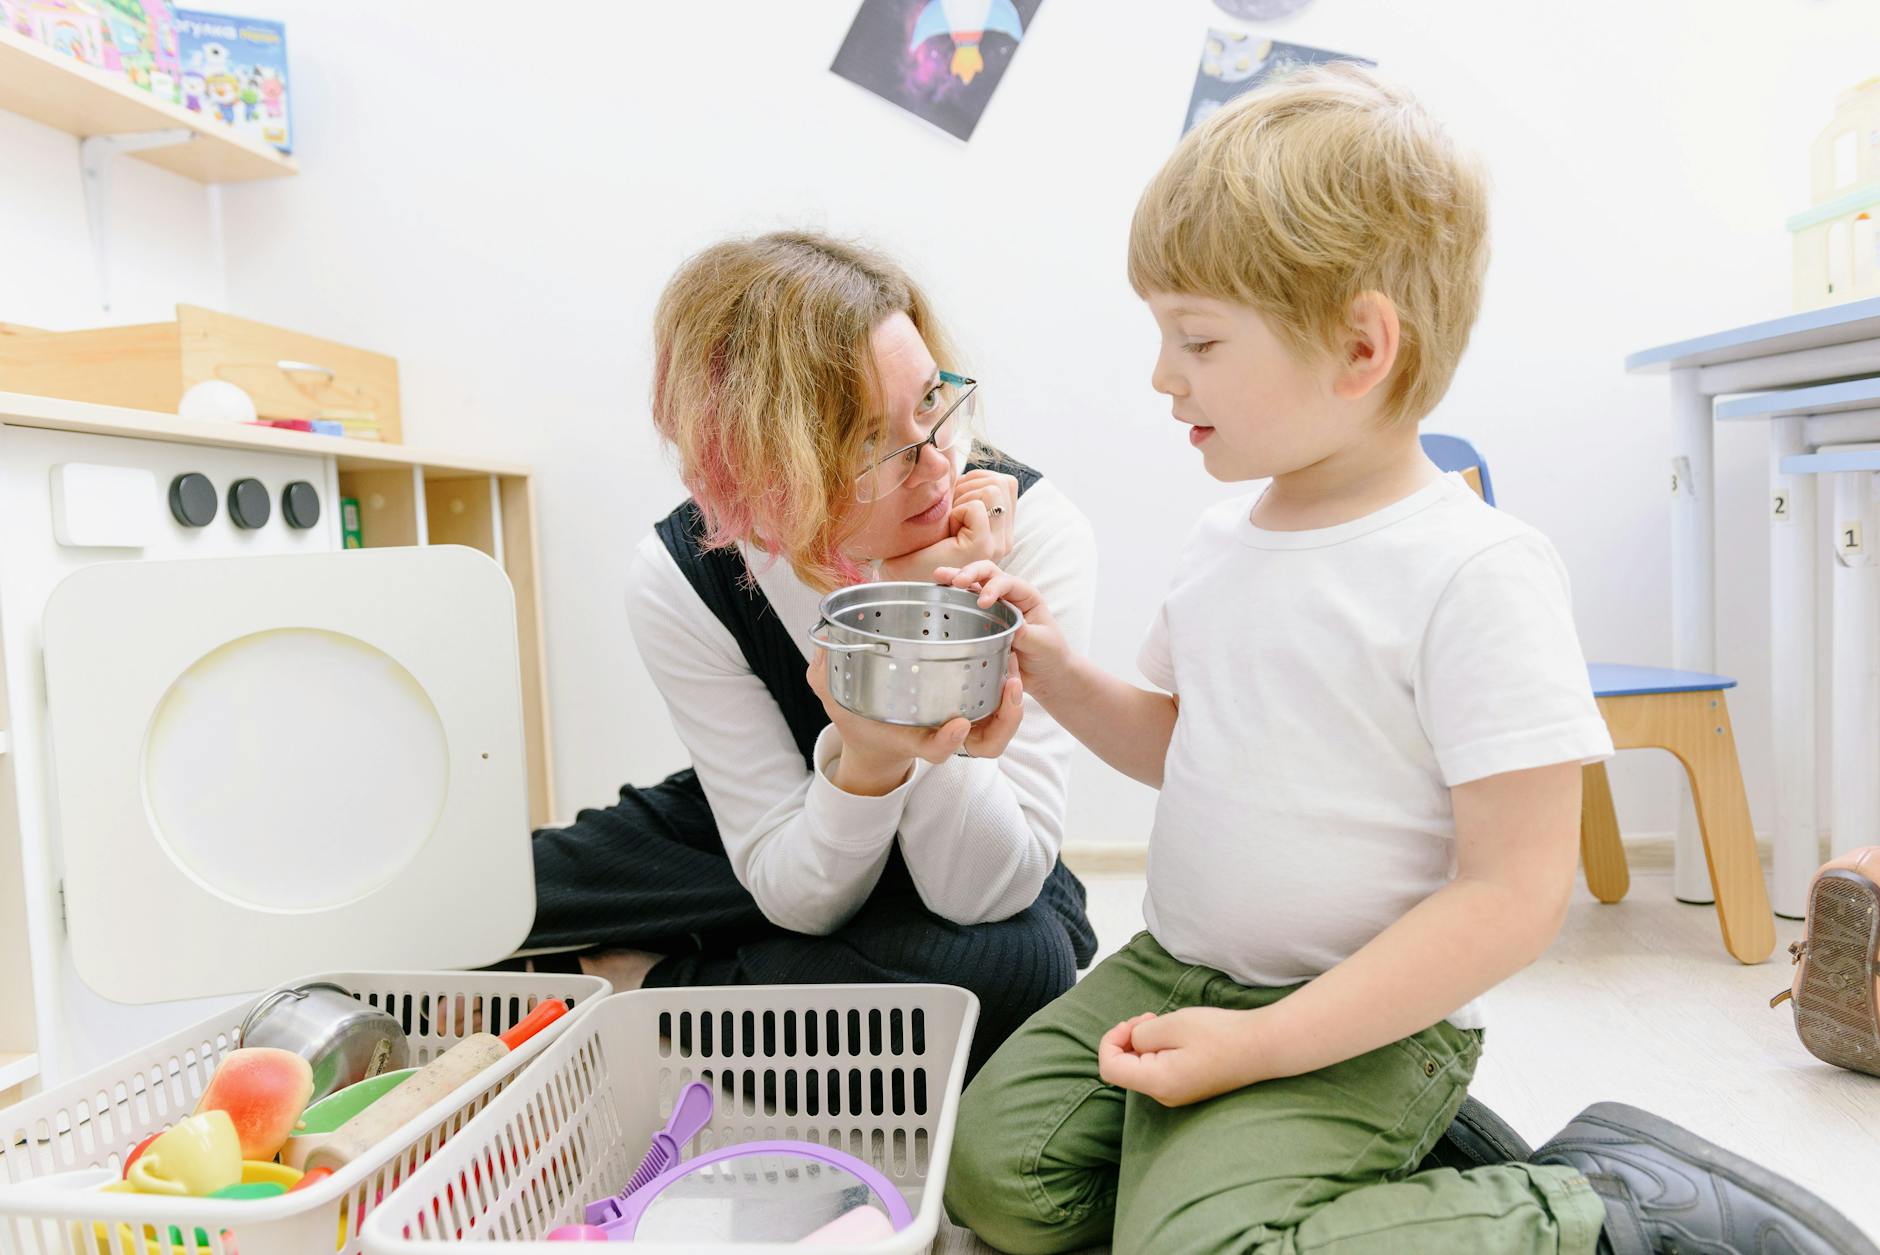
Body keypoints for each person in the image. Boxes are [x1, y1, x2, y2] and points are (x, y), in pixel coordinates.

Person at [941, 65, 1874, 1254]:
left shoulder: (1472, 571)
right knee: (994, 1176)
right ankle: (1331, 1169)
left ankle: (1602, 1208)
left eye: (1198, 339)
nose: (1162, 376)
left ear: (1359, 347)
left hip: (1364, 1016)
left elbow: (1510, 894)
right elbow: (1183, 744)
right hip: (1176, 967)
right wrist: (1057, 669)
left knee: (1195, 1248)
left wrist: (1264, 1052)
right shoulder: (1220, 542)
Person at [514, 231, 1099, 1075]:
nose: (938, 464)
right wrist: (858, 763)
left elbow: (975, 892)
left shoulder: (1033, 534)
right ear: (761, 474)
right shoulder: (682, 575)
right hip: (777, 808)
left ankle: (643, 985)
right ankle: (705, 959)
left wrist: (928, 619)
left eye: (933, 400)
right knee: (488, 908)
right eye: (872, 444)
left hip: (965, 826)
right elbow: (795, 888)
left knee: (1011, 968)